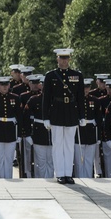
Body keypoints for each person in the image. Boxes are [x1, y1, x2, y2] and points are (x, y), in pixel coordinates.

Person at [41, 48, 85, 184]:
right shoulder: (50, 76)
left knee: (69, 145)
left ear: (69, 60)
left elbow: (80, 97)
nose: (64, 61)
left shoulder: (77, 75)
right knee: (58, 144)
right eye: (61, 58)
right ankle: (60, 173)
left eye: (66, 58)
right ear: (57, 59)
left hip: (71, 112)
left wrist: (82, 115)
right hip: (56, 112)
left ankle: (68, 173)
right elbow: (46, 98)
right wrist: (46, 117)